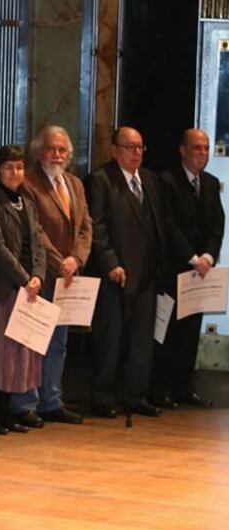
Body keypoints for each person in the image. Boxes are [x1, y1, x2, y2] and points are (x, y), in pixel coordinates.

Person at [85, 127, 189, 417]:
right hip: (116, 273)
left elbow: (160, 226)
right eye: (130, 147)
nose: (136, 153)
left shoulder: (151, 181)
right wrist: (110, 263)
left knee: (142, 338)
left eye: (141, 148)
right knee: (111, 337)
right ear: (114, 149)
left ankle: (136, 395)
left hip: (147, 274)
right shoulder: (101, 179)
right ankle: (103, 396)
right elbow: (98, 227)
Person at [14, 125, 91, 426]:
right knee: (33, 339)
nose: (56, 155)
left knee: (59, 342)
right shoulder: (28, 183)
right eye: (51, 148)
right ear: (39, 151)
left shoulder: (74, 183)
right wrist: (60, 261)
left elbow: (86, 226)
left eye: (62, 150)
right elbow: (36, 231)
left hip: (69, 276)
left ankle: (51, 400)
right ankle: (26, 403)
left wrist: (77, 259)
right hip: (41, 272)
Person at [154, 128, 224, 408]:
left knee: (190, 333)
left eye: (206, 149)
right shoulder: (166, 181)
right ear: (182, 150)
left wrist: (208, 256)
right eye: (197, 148)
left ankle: (184, 387)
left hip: (201, 272)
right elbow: (168, 224)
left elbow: (217, 225)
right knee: (167, 332)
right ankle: (161, 389)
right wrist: (192, 257)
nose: (203, 154)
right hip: (173, 268)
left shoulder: (210, 182)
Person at [0, 145, 47, 432]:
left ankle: (10, 413)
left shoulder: (28, 203)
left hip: (26, 288)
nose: (14, 173)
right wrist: (23, 278)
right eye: (8, 167)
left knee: (18, 356)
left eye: (19, 167)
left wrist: (38, 276)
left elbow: (38, 245)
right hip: (3, 287)